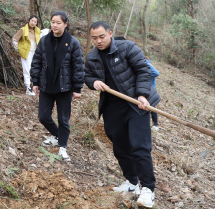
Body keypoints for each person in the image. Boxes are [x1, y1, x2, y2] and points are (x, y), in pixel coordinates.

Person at [85, 21, 161, 208]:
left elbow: (143, 70)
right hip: (112, 106)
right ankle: (132, 183)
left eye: (102, 36)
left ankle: (148, 189)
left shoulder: (127, 47)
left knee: (139, 146)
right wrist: (93, 82)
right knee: (119, 146)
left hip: (136, 103)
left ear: (110, 33)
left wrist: (142, 95)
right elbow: (85, 76)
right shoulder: (92, 56)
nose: (98, 41)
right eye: (94, 38)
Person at [30, 11, 84, 162]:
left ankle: (62, 147)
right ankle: (56, 135)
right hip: (46, 84)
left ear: (66, 24)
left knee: (63, 119)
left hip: (64, 87)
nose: (54, 25)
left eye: (58, 22)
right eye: (53, 22)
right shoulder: (45, 40)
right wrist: (35, 81)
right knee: (43, 116)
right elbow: (37, 62)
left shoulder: (72, 42)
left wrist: (77, 88)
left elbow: (78, 66)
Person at [115, 37, 161, 131]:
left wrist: (145, 78)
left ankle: (155, 124)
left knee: (151, 107)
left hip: (148, 88)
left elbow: (155, 73)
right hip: (139, 88)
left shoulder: (144, 62)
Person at [12, 15, 42, 96]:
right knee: (27, 69)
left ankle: (35, 87)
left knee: (35, 70)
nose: (33, 23)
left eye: (35, 22)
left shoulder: (37, 31)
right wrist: (19, 50)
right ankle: (28, 88)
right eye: (32, 21)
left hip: (35, 53)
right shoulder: (23, 30)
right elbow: (15, 39)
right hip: (26, 53)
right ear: (29, 20)